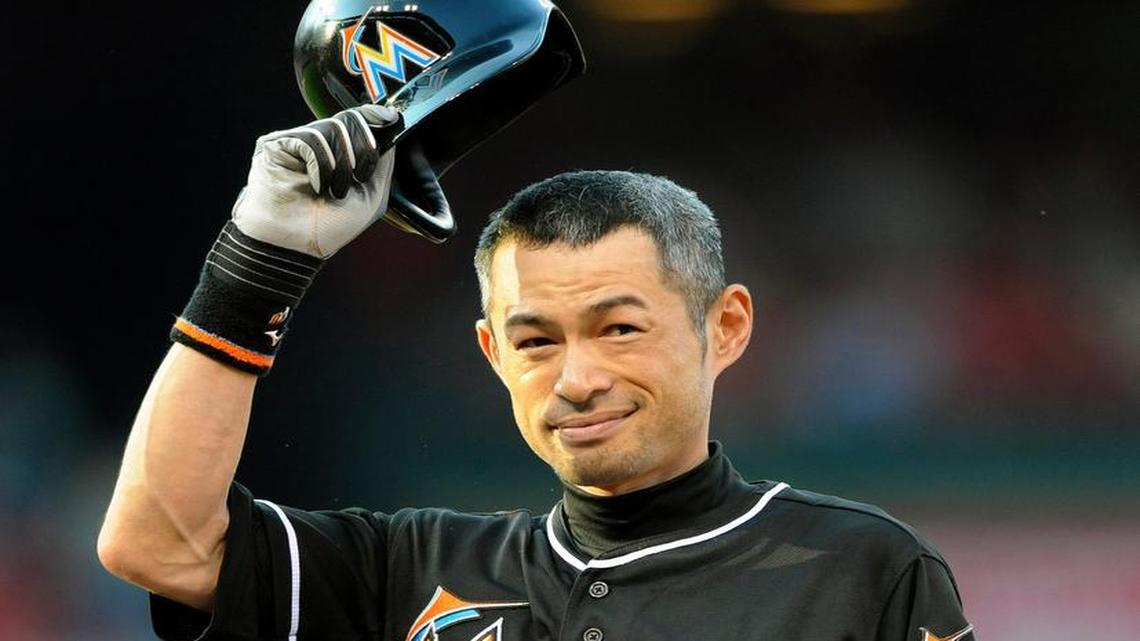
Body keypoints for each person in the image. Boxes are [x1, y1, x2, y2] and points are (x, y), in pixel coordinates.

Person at [98, 105, 975, 641]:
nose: (578, 377)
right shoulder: (410, 567)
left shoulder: (863, 568)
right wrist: (258, 258)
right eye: (537, 340)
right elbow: (155, 542)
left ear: (726, 326)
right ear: (492, 354)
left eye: (618, 327)